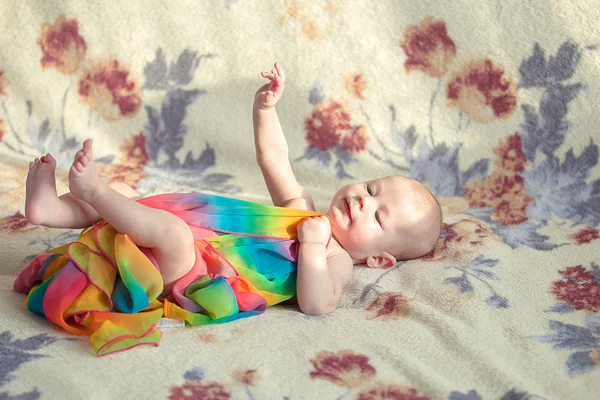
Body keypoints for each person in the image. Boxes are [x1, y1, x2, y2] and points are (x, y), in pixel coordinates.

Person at [21, 62, 442, 318]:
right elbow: (274, 159)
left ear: (380, 257)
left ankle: (93, 192)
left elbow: (318, 304)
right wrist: (266, 109)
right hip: (178, 230)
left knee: (171, 232)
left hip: (188, 276)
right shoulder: (304, 208)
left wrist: (313, 249)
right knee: (130, 193)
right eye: (371, 187)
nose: (363, 200)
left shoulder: (336, 257)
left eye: (377, 214)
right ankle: (49, 210)